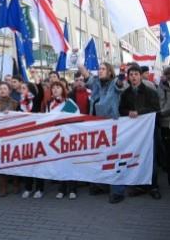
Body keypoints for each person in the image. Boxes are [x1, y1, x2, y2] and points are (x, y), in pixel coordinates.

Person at [79, 63, 125, 204]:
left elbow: (120, 83)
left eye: (103, 69)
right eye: (99, 69)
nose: (100, 71)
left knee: (114, 158)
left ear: (110, 72)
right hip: (97, 125)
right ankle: (101, 185)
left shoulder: (113, 84)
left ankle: (117, 191)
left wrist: (122, 75)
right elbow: (86, 75)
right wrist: (78, 61)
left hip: (112, 124)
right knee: (99, 156)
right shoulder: (96, 84)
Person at [119, 64, 161, 199]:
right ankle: (139, 185)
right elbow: (121, 110)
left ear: (140, 76)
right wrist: (128, 112)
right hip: (134, 134)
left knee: (151, 158)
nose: (133, 77)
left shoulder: (150, 92)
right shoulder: (125, 94)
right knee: (137, 157)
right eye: (131, 75)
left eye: (136, 74)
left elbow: (156, 108)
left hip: (149, 132)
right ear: (128, 78)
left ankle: (153, 186)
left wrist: (139, 112)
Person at [46, 81, 80, 200]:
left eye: (58, 87)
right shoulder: (49, 104)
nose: (55, 90)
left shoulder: (68, 102)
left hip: (67, 137)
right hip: (55, 138)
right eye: (53, 88)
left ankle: (72, 189)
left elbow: (75, 119)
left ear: (63, 89)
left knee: (69, 163)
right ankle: (62, 189)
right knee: (59, 163)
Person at [19, 77, 45, 199]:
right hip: (24, 136)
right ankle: (28, 187)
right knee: (26, 164)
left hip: (36, 136)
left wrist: (38, 84)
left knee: (38, 163)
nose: (21, 90)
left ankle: (40, 188)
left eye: (23, 88)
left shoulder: (35, 101)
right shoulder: (20, 103)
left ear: (29, 90)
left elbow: (40, 95)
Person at [157, 67, 170, 185]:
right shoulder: (161, 87)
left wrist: (161, 112)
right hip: (166, 124)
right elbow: (160, 103)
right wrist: (161, 112)